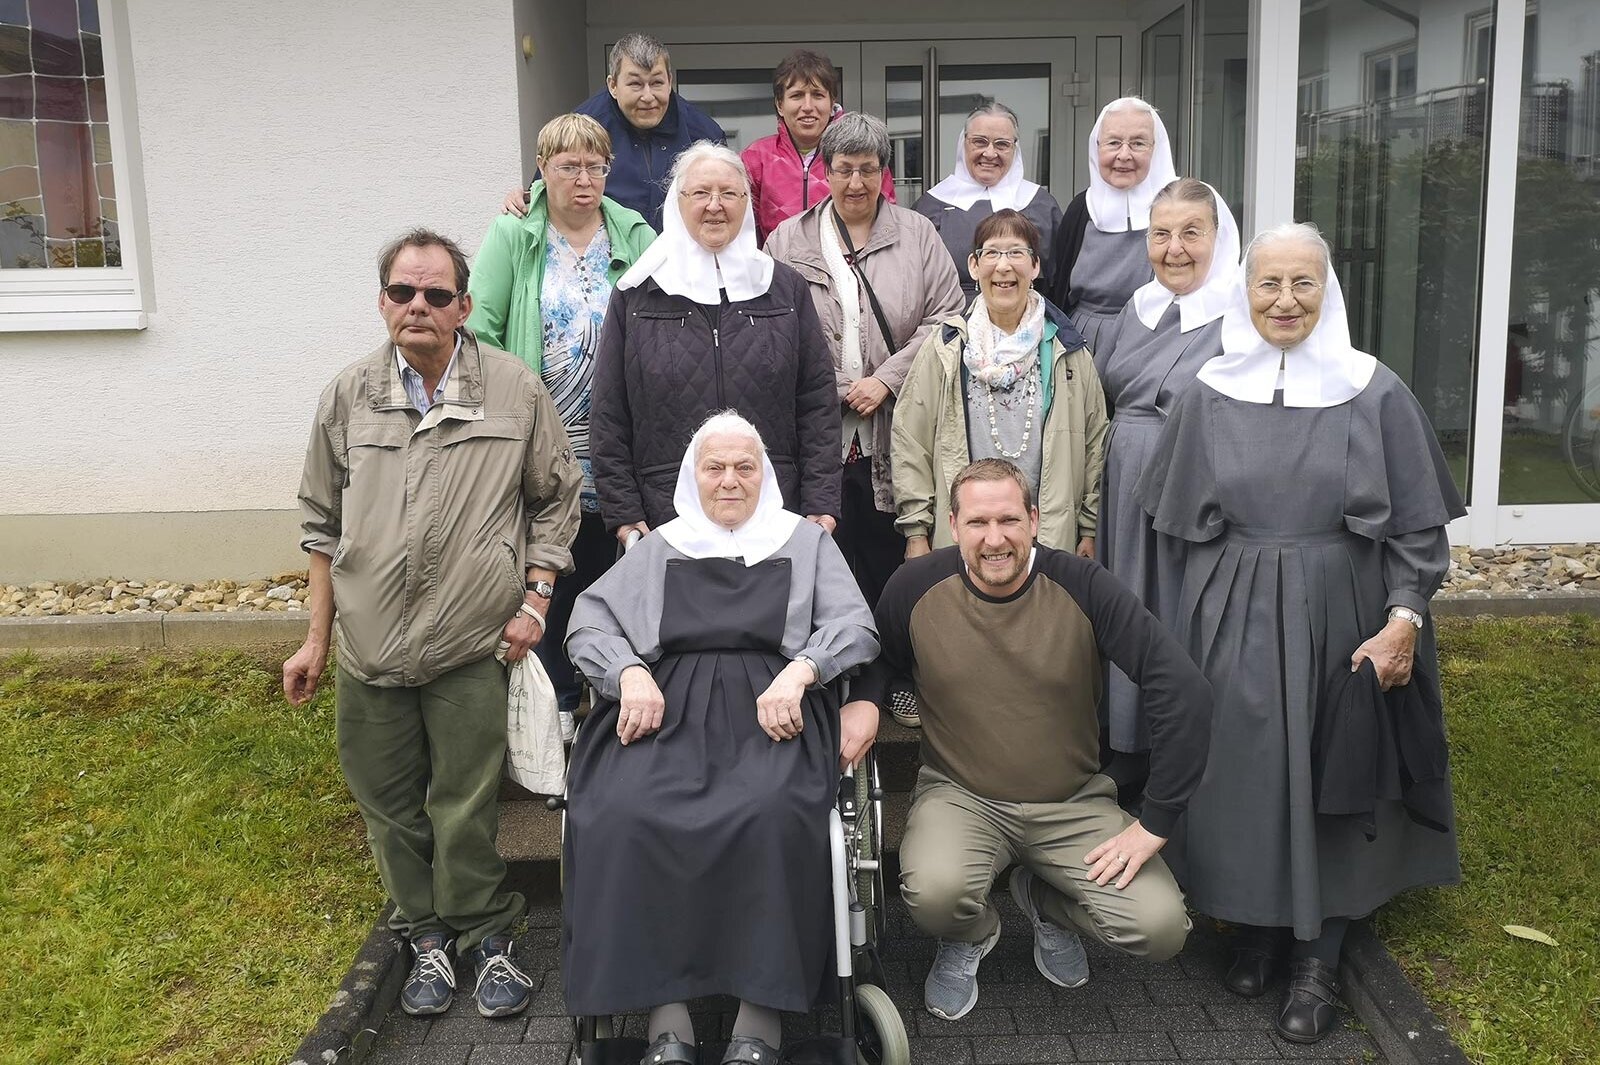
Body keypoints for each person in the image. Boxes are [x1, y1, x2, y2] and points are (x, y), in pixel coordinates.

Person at [1137, 222, 1464, 1044]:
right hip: (1233, 604)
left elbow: (1418, 532)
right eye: (1268, 284)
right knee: (1243, 771)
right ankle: (1255, 923)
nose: (1285, 301)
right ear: (1244, 293)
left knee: (1333, 769)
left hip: (1343, 607)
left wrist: (1403, 620)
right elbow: (1177, 533)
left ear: (1329, 292)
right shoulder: (1209, 390)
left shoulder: (1374, 390)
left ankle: (1320, 951)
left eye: (1303, 284)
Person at [283, 229, 582, 1019]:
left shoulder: (513, 390)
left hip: (470, 642)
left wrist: (536, 600)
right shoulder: (348, 394)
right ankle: (423, 936)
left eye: (437, 294)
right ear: (383, 302)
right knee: (388, 804)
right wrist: (316, 639)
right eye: (404, 292)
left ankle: (487, 937)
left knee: (465, 801)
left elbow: (557, 498)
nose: (419, 306)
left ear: (464, 306)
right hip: (369, 647)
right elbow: (319, 524)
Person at [562, 412, 880, 1065]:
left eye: (745, 466)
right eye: (715, 467)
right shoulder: (658, 546)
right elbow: (587, 622)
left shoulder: (806, 542)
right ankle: (667, 1018)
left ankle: (759, 1020)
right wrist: (627, 672)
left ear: (764, 473)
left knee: (771, 810)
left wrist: (803, 669)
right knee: (624, 812)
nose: (730, 480)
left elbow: (855, 624)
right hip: (663, 706)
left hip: (775, 707)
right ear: (692, 476)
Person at [848, 458, 1212, 1021]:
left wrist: (1157, 821)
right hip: (962, 796)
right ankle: (973, 932)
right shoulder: (915, 586)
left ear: (1035, 519)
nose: (995, 539)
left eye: (1009, 520)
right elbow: (876, 659)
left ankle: (1041, 900)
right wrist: (867, 702)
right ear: (952, 523)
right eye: (977, 523)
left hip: (1071, 801)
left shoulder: (1083, 585)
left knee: (1161, 928)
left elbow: (1182, 689)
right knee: (935, 897)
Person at [467, 113, 655, 730]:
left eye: (594, 166)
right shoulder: (514, 233)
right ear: (543, 171)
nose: (582, 178)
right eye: (567, 166)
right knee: (546, 565)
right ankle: (557, 711)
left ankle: (608, 701)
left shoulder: (636, 234)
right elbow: (483, 332)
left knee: (610, 563)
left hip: (618, 437)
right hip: (539, 435)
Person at [590, 141, 842, 544]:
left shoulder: (784, 288)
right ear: (678, 201)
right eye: (701, 193)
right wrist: (623, 513)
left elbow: (817, 405)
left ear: (746, 202)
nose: (715, 205)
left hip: (775, 511)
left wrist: (821, 504)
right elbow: (609, 412)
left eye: (728, 193)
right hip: (664, 516)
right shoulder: (637, 294)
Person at [765, 111, 963, 609]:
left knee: (891, 564)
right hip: (816, 433)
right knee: (821, 568)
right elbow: (769, 328)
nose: (856, 182)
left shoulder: (917, 235)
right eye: (845, 168)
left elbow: (948, 316)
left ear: (884, 173)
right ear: (825, 171)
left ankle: (894, 674)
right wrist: (832, 385)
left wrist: (887, 380)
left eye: (869, 169)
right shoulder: (787, 241)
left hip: (897, 431)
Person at [1092, 177, 1239, 783]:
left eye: (1190, 233)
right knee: (1126, 608)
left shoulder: (1240, 312)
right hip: (1122, 481)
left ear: (1217, 237)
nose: (1174, 248)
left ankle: (1178, 752)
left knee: (1178, 613)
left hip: (1194, 487)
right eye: (1160, 234)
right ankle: (1123, 747)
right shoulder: (1137, 306)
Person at [892, 209, 1108, 562]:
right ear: (974, 266)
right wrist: (917, 530)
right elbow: (910, 439)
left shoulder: (1066, 349)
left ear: (1035, 267)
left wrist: (1088, 528)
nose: (1004, 266)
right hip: (965, 536)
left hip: (1049, 534)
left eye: (1016, 253)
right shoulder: (947, 347)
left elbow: (1095, 441)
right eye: (992, 253)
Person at [504, 34, 725, 231]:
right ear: (613, 85)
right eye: (635, 84)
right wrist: (523, 199)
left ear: (669, 82)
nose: (648, 96)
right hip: (607, 262)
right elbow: (547, 195)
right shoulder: (584, 127)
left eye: (657, 82)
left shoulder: (703, 134)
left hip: (681, 263)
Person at [1045, 97, 1178, 352]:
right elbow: (1058, 289)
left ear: (1156, 148)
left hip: (1155, 341)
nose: (1124, 155)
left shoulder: (1179, 209)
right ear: (1097, 148)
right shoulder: (1080, 209)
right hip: (1082, 346)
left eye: (1138, 143)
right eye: (1114, 143)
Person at [742, 48, 896, 245]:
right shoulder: (756, 158)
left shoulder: (864, 155)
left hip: (849, 270)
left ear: (832, 102)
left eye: (817, 95)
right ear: (780, 105)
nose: (807, 106)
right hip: (780, 270)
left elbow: (886, 223)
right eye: (797, 95)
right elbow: (742, 231)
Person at [913, 102, 1063, 303]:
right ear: (963, 143)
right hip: (950, 321)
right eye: (980, 142)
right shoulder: (931, 205)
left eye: (1002, 144)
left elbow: (1058, 282)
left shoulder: (1041, 204)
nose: (990, 153)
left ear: (1014, 149)